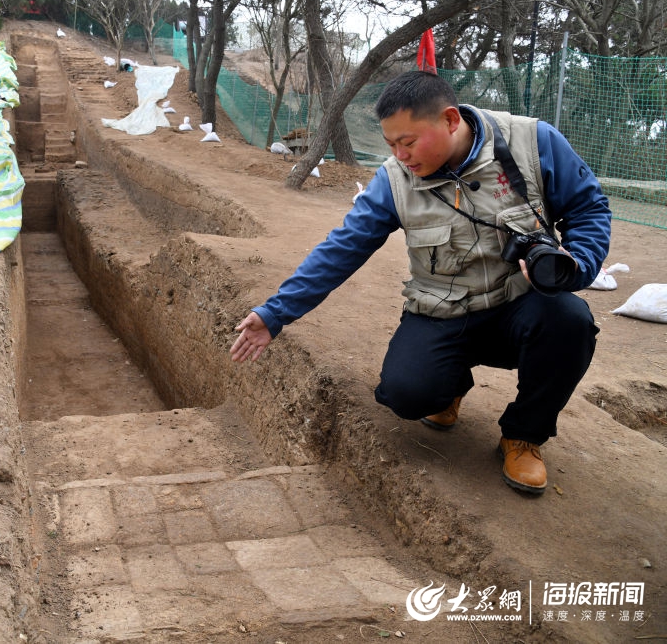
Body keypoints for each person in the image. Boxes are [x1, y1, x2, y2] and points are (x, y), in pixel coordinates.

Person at [230, 70, 611, 496]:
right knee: (406, 394)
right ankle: (447, 389)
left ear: (450, 120)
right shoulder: (394, 179)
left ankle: (524, 436)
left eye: (407, 143)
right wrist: (274, 314)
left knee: (570, 321)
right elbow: (343, 248)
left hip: (521, 305)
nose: (399, 156)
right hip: (444, 312)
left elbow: (588, 208)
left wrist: (577, 262)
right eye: (391, 144)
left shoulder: (531, 141)